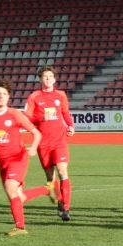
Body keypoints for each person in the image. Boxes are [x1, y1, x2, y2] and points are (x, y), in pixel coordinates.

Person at [0, 80, 54, 237]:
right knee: (18, 197)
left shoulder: (14, 114)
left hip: (18, 158)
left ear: (8, 97)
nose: (1, 97)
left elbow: (36, 133)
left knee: (10, 187)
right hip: (2, 162)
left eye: (4, 94)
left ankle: (20, 227)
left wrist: (33, 148)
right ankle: (47, 189)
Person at [24, 66, 76, 221]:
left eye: (50, 76)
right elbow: (27, 117)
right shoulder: (34, 97)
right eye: (45, 76)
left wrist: (71, 126)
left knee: (62, 171)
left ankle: (66, 207)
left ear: (54, 79)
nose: (47, 79)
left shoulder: (60, 95)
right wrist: (40, 119)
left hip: (59, 140)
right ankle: (59, 200)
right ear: (40, 79)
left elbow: (65, 113)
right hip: (43, 143)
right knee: (50, 177)